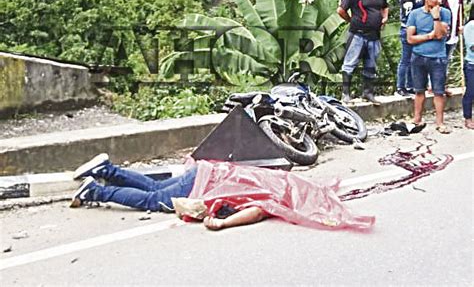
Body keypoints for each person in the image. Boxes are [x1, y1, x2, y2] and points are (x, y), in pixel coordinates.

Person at [70, 153, 375, 231]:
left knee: (154, 187)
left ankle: (107, 170)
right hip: (204, 186)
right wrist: (222, 223)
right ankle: (96, 191)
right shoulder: (280, 198)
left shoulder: (281, 179)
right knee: (153, 200)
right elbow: (254, 212)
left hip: (207, 171)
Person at [337, 0, 389, 104]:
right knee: (350, 63)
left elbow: (385, 6)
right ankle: (346, 94)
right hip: (358, 34)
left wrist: (384, 18)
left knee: (371, 64)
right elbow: (341, 10)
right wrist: (351, 20)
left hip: (374, 34)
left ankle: (368, 92)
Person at [406, 0, 452, 133]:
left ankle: (440, 122)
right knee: (419, 90)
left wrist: (436, 17)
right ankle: (417, 119)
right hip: (418, 57)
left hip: (438, 58)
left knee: (439, 92)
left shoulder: (445, 13)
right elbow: (410, 39)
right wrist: (428, 36)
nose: (439, 1)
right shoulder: (414, 14)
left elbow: (439, 34)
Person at [395, 0, 433, 97]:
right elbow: (408, 15)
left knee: (413, 60)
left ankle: (411, 85)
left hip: (418, 31)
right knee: (405, 60)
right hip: (408, 30)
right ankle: (401, 86)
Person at [441, 0, 465, 96]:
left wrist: (461, 27)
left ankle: (443, 85)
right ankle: (435, 85)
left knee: (447, 60)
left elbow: (461, 13)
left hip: (454, 34)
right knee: (439, 60)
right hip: (442, 33)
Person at [462, 8, 474, 129]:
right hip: (472, 63)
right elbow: (472, 46)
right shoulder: (470, 25)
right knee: (471, 92)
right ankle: (468, 118)